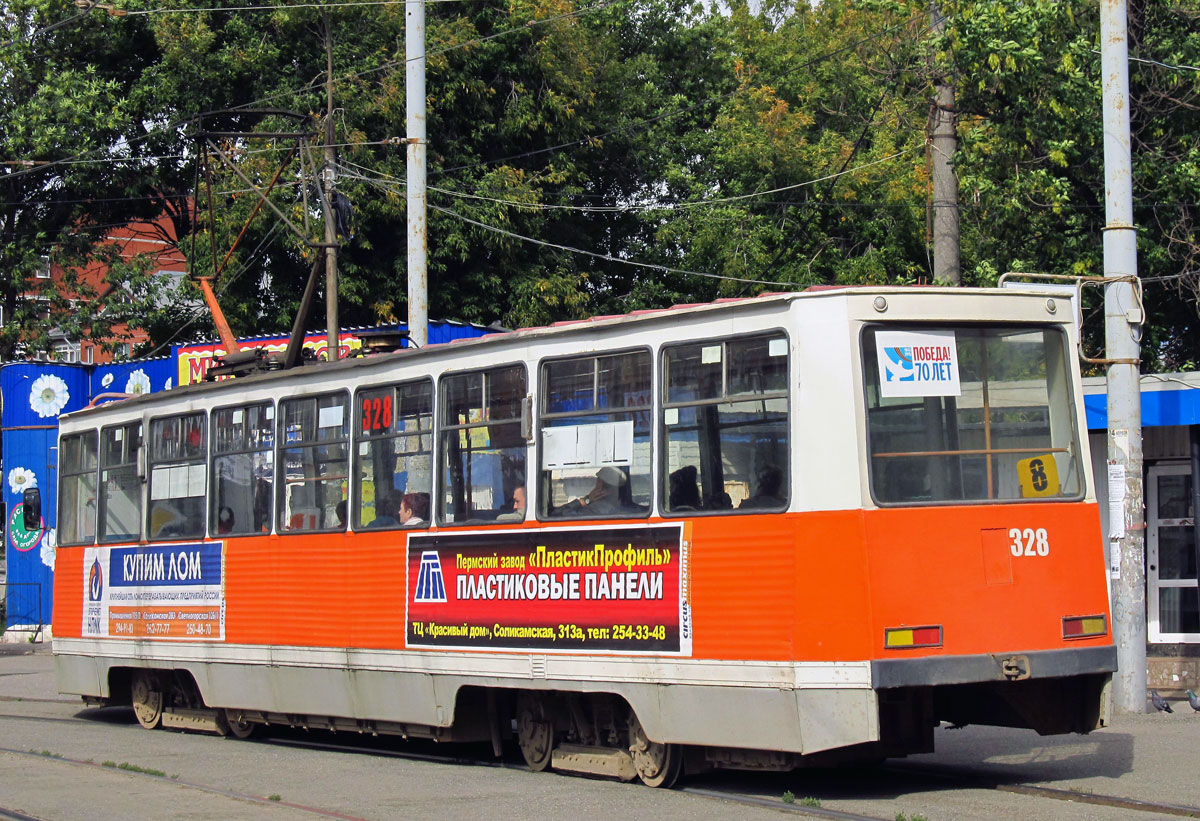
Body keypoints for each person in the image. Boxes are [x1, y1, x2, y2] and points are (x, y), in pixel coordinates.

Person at [563, 466, 627, 515]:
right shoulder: (626, 507)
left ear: (600, 485)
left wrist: (586, 500)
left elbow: (562, 514)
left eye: (598, 480)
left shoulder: (595, 509)